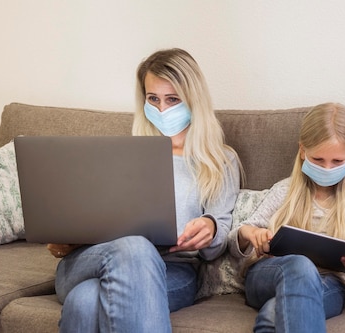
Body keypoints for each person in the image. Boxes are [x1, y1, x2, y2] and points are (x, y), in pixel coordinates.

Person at [46, 48, 242, 332]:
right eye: (153, 99)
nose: (162, 109)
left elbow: (219, 234)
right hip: (94, 257)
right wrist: (67, 233)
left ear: (193, 100)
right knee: (134, 246)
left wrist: (210, 228)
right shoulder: (123, 153)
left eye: (173, 99)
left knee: (85, 301)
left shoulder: (220, 160)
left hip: (173, 269)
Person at [227, 102, 345, 333]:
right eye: (318, 160)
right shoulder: (283, 191)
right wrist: (249, 233)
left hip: (329, 283)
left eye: (337, 161)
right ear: (302, 151)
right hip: (268, 275)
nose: (327, 168)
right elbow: (237, 238)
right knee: (300, 265)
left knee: (274, 315)